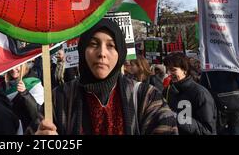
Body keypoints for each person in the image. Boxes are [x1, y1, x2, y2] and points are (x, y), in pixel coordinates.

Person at [36, 18, 178, 135]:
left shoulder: (146, 97)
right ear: (82, 49)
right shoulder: (58, 100)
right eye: (93, 44)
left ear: (120, 53)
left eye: (111, 46)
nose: (102, 53)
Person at [163, 52, 217, 135]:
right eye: (168, 70)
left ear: (185, 70)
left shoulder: (200, 93)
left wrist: (178, 118)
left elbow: (207, 130)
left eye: (173, 70)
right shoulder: (167, 91)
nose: (169, 74)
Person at [201, 69, 239, 135]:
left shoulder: (207, 71)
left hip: (219, 107)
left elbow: (203, 90)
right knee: (238, 130)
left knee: (221, 130)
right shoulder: (234, 68)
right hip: (236, 105)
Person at [2, 63, 43, 133]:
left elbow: (38, 113)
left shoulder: (34, 84)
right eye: (10, 66)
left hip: (30, 130)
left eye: (17, 65)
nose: (13, 69)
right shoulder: (4, 86)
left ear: (24, 65)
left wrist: (25, 93)